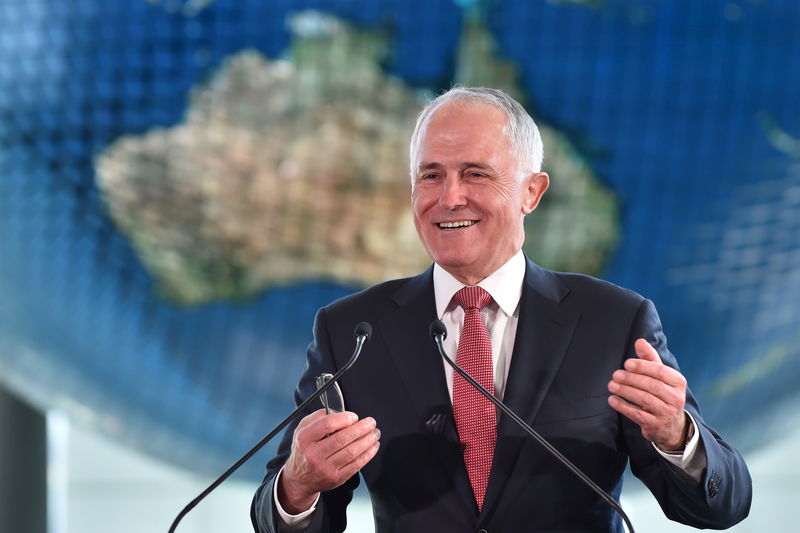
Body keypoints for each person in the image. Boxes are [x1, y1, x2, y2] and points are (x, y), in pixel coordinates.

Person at [251, 87, 751, 532]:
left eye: (475, 174)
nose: (449, 198)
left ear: (531, 192)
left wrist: (677, 435)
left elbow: (721, 508)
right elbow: (282, 516)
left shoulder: (614, 323)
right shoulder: (353, 332)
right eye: (431, 175)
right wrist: (298, 485)